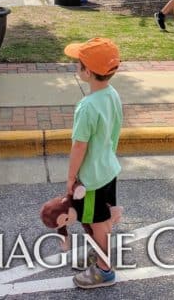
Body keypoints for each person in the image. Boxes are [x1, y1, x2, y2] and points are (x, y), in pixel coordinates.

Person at [63, 37, 123, 289]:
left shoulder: (86, 107)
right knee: (99, 218)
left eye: (78, 64)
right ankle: (99, 253)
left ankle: (104, 269)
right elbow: (114, 132)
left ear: (87, 72)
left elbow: (79, 146)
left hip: (90, 179)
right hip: (108, 170)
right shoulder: (112, 95)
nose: (76, 67)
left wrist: (71, 177)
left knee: (96, 222)